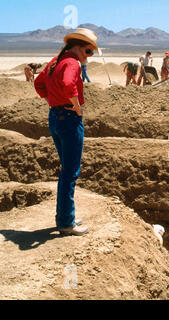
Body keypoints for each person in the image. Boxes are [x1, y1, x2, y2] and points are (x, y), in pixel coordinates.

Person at [34, 28, 99, 236]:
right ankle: (66, 222)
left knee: (66, 171)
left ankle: (65, 216)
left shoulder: (56, 60)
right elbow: (68, 83)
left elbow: (39, 83)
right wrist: (76, 107)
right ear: (78, 47)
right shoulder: (72, 62)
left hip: (55, 117)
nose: (88, 56)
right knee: (70, 172)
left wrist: (52, 102)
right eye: (88, 52)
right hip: (69, 120)